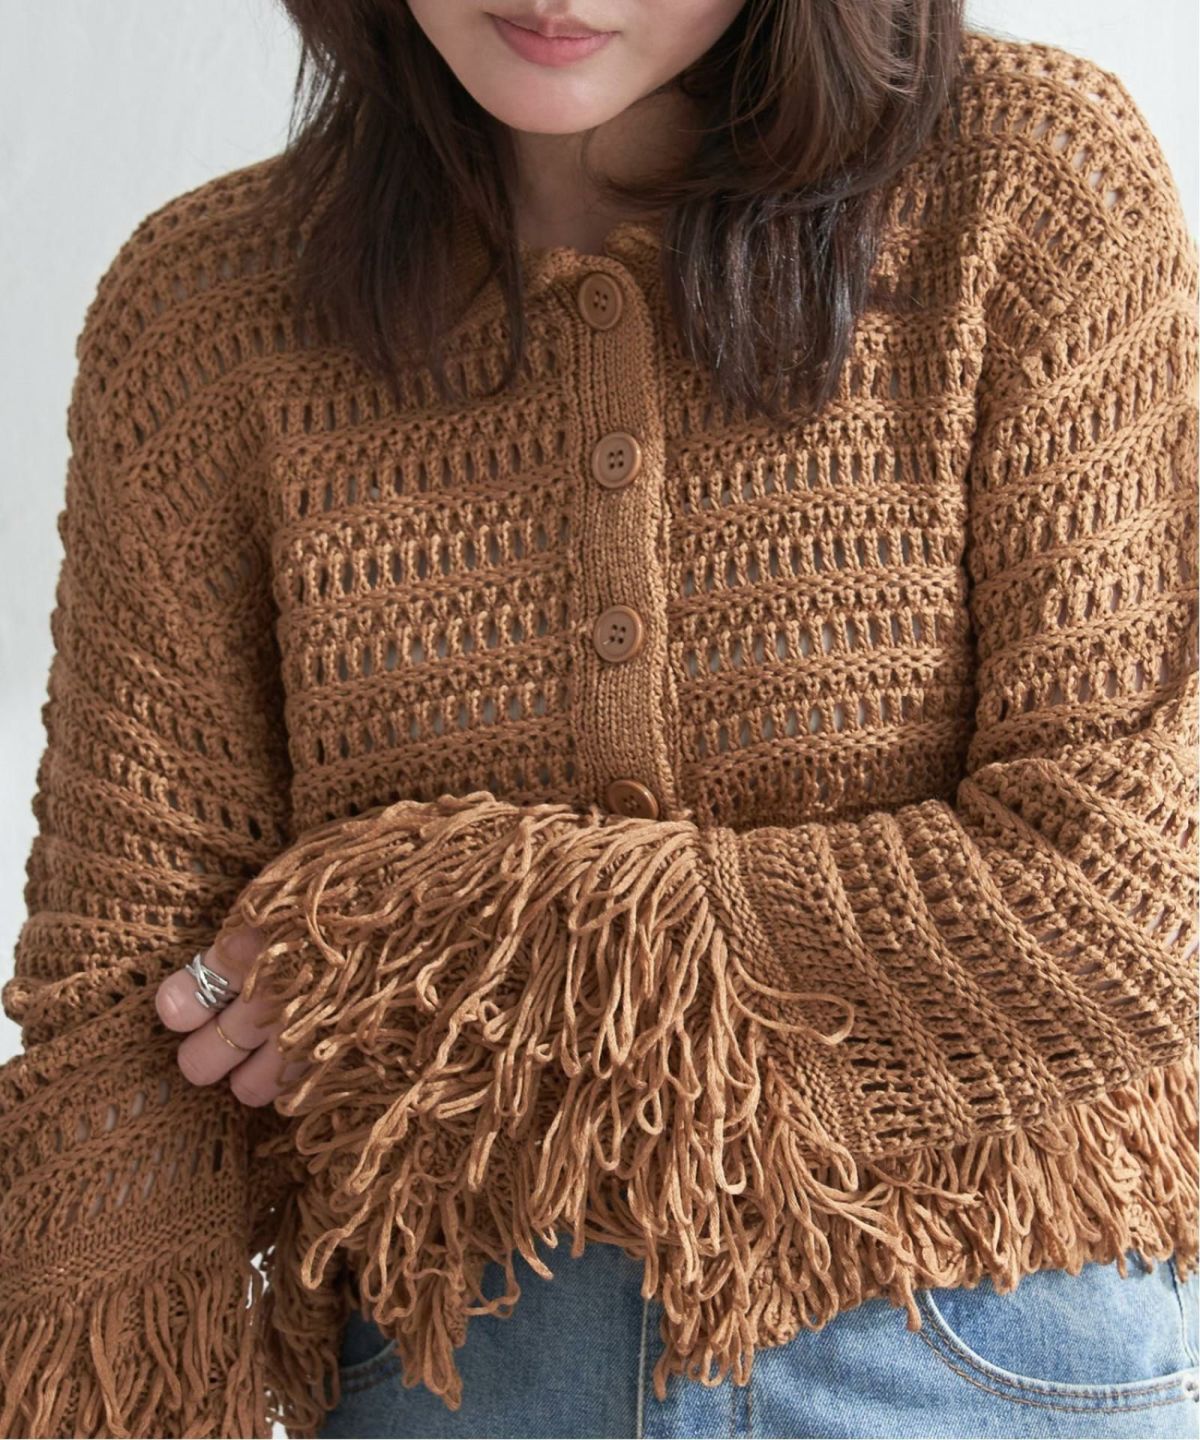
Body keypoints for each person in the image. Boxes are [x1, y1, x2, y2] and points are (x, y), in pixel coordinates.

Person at [2, 2, 1198, 1437]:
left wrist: (448, 932)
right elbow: (128, 1043)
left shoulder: (1024, 189)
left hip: (980, 1346)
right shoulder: (210, 316)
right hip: (461, 1369)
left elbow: (1135, 895)